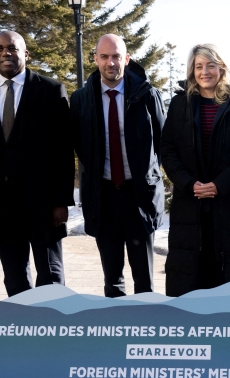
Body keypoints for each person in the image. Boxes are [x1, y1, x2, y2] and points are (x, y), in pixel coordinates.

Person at [0, 30, 75, 296]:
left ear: (25, 54)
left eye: (13, 48)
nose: (6, 53)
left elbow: (63, 149)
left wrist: (62, 200)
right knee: (14, 278)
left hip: (44, 204)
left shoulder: (50, 90)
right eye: (0, 48)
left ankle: (52, 328)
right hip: (0, 205)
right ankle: (23, 327)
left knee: (50, 276)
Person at [71, 34, 166, 297]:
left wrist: (147, 174)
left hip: (139, 196)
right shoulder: (81, 99)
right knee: (112, 279)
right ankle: (116, 330)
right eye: (104, 57)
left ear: (126, 59)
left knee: (144, 280)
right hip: (103, 198)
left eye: (116, 56)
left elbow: (162, 141)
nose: (110, 62)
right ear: (95, 59)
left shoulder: (147, 95)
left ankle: (146, 330)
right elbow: (80, 145)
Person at [161, 44, 230, 296]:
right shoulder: (179, 104)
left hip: (228, 206)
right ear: (192, 71)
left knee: (229, 286)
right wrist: (189, 183)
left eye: (211, 65)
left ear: (221, 67)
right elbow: (168, 150)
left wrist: (220, 185)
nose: (205, 72)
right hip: (188, 206)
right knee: (189, 283)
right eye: (199, 66)